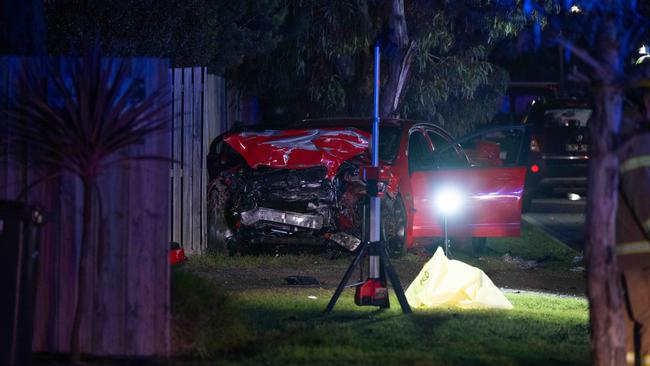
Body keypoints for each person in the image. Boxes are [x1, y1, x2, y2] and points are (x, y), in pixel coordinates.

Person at [618, 78, 650, 366]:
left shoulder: (625, 138)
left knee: (628, 329)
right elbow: (645, 202)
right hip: (640, 257)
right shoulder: (640, 144)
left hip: (626, 254)